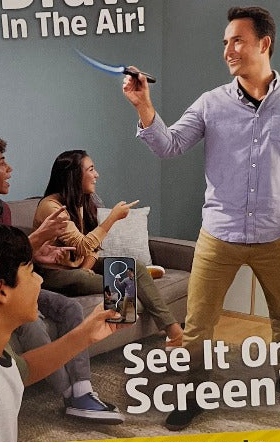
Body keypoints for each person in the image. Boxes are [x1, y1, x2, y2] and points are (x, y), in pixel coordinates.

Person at [122, 5, 280, 429]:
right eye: (225, 42)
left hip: (277, 235)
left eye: (237, 40)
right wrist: (144, 106)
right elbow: (170, 145)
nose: (228, 50)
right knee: (198, 322)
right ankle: (195, 390)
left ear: (264, 43)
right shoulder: (211, 103)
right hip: (219, 234)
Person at [0, 134, 123, 424]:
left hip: (19, 281)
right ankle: (70, 395)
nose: (10, 169)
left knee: (70, 307)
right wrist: (38, 238)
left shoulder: (3, 210)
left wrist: (38, 254)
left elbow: (13, 257)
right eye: (1, 163)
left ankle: (83, 389)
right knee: (34, 322)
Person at [0, 225, 120, 442]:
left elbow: (21, 371)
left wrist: (86, 333)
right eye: (32, 272)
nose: (40, 281)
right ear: (1, 290)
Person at [33, 149, 184, 349]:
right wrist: (112, 218)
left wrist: (86, 267)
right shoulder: (52, 207)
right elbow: (83, 245)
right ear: (74, 175)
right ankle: (124, 319)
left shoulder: (80, 201)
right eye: (91, 169)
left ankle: (173, 330)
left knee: (135, 267)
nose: (96, 175)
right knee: (122, 281)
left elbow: (92, 248)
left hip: (77, 267)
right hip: (53, 274)